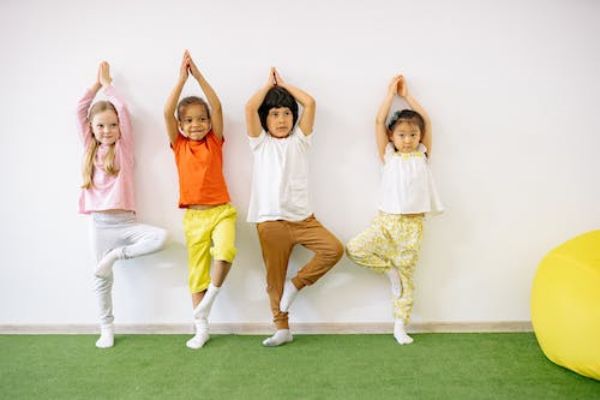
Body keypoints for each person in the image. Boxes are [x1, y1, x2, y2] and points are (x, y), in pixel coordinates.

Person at [245, 67, 344, 347]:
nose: (281, 119)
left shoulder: (301, 141)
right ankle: (282, 328)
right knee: (273, 279)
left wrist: (285, 85)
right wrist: (268, 86)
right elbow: (249, 108)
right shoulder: (260, 143)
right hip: (270, 221)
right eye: (274, 114)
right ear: (265, 119)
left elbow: (310, 103)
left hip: (303, 219)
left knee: (334, 249)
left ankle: (296, 285)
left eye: (287, 113)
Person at [346, 74, 444, 345]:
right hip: (386, 223)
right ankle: (390, 273)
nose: (408, 139)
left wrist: (409, 96)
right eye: (402, 135)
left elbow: (428, 121)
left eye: (413, 134)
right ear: (392, 136)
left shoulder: (423, 154)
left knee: (407, 279)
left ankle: (400, 326)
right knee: (355, 249)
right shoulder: (388, 156)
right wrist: (391, 94)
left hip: (412, 227)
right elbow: (379, 122)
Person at [77, 61, 167, 348]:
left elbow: (124, 110)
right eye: (101, 126)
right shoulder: (89, 149)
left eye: (113, 125)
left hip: (126, 223)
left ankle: (116, 255)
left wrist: (108, 86)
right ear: (92, 129)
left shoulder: (124, 149)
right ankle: (106, 328)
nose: (108, 130)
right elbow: (79, 109)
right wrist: (95, 86)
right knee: (101, 279)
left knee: (161, 238)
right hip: (100, 225)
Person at [164, 50, 237, 349]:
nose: (197, 124)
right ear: (181, 125)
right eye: (190, 120)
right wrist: (181, 80)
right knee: (196, 273)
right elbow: (166, 112)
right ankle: (201, 327)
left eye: (202, 119)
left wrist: (199, 76)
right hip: (193, 218)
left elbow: (217, 106)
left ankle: (211, 298)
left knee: (226, 250)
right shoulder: (179, 145)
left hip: (221, 212)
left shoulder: (214, 142)